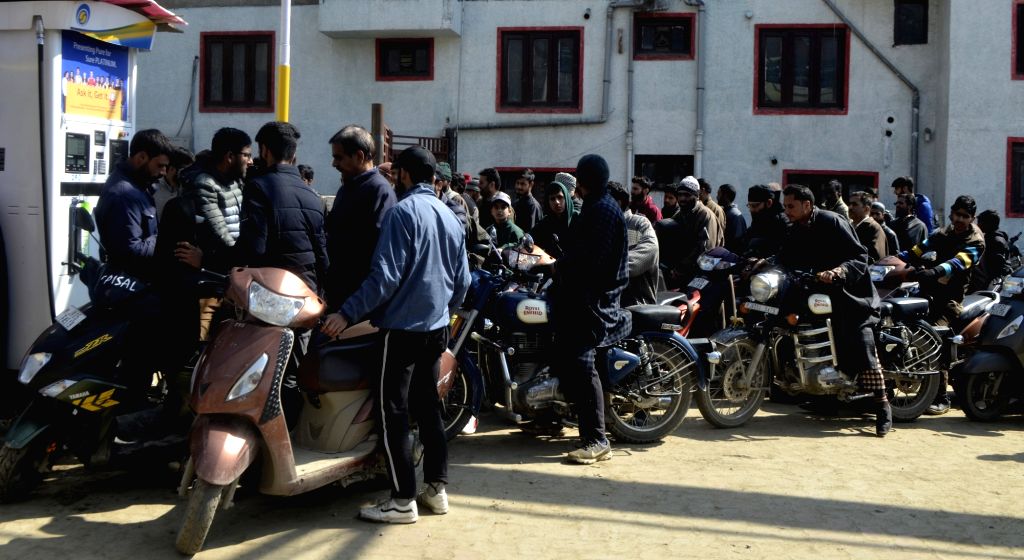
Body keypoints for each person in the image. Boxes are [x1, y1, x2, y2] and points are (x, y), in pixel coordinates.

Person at [321, 145, 470, 524]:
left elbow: (384, 278)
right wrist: (443, 310)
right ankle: (436, 489)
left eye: (396, 172)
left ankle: (403, 499)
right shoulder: (450, 216)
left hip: (402, 331)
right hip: (436, 329)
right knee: (428, 409)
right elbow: (463, 280)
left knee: (394, 414)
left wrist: (347, 312)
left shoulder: (401, 213)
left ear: (403, 174)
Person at [778, 185, 891, 436]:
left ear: (807, 205)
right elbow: (784, 258)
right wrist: (760, 263)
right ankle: (823, 393)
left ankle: (882, 403)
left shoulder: (832, 221)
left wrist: (839, 272)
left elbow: (860, 257)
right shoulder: (795, 229)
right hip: (815, 292)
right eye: (785, 206)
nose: (787, 211)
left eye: (791, 206)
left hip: (850, 295)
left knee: (860, 340)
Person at [552, 154, 631, 464]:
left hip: (597, 301)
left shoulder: (603, 211)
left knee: (582, 362)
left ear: (583, 181)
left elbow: (592, 264)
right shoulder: (597, 206)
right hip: (585, 294)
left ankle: (597, 439)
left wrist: (560, 269)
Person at [899, 195, 985, 415]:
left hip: (952, 300)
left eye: (965, 216)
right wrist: (893, 261)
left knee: (936, 339)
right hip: (928, 294)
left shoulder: (976, 240)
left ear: (972, 218)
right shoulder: (942, 233)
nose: (959, 219)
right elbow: (917, 250)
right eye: (957, 214)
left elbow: (959, 262)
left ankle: (941, 397)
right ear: (951, 213)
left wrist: (935, 271)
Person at [325, 125, 397, 308]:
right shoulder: (347, 188)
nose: (334, 164)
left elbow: (380, 255)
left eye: (338, 158)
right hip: (339, 293)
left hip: (358, 302)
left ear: (359, 156)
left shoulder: (380, 191)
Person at [94, 128, 173, 280]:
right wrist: (164, 238)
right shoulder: (124, 195)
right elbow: (131, 251)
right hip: (129, 287)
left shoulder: (139, 187)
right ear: (141, 157)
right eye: (160, 165)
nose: (164, 172)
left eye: (166, 167)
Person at [181, 127, 250, 272]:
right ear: (230, 156)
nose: (250, 161)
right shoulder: (205, 184)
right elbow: (219, 232)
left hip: (231, 265)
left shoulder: (237, 181)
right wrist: (239, 264)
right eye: (246, 155)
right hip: (215, 271)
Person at [655, 176, 723, 289]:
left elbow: (705, 250)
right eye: (680, 194)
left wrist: (680, 269)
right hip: (683, 273)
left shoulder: (705, 216)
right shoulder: (681, 214)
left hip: (704, 274)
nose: (682, 198)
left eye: (687, 195)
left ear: (696, 196)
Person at [608, 181, 660, 306]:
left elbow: (650, 250)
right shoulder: (603, 226)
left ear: (618, 203)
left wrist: (608, 267)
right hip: (607, 300)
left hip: (637, 303)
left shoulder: (640, 223)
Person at [530, 179, 577, 259]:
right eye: (552, 199)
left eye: (560, 197)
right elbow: (531, 236)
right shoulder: (546, 222)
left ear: (566, 197)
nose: (557, 202)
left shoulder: (578, 218)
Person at [969, 210, 1013, 292]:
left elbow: (996, 267)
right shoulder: (990, 237)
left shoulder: (995, 241)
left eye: (980, 222)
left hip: (991, 284)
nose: (978, 225)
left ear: (988, 224)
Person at [740, 184, 788, 258]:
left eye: (755, 206)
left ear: (769, 203)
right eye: (750, 206)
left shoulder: (782, 223)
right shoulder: (756, 223)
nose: (752, 210)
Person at [153, 145, 195, 218]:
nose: (188, 175)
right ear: (171, 169)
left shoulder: (188, 190)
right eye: (185, 171)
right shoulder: (154, 189)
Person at [848, 191, 888, 261]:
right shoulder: (849, 225)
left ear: (866, 209)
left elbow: (874, 259)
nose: (850, 207)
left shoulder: (873, 228)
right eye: (850, 204)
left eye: (854, 204)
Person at [717, 183, 747, 254]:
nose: (717, 197)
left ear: (725, 196)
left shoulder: (734, 215)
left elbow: (735, 243)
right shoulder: (727, 212)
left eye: (719, 194)